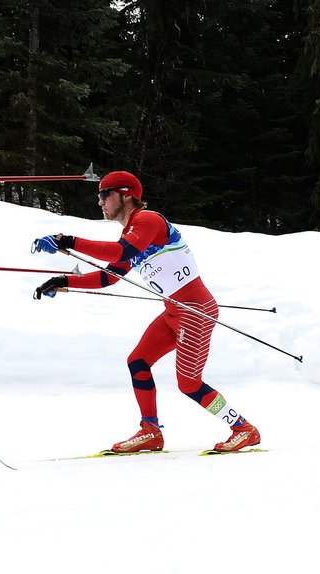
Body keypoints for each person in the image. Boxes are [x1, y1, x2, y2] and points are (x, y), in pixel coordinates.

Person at [31, 171, 261, 453]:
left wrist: (66, 240)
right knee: (138, 362)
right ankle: (150, 431)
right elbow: (108, 277)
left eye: (105, 194)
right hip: (173, 313)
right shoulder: (130, 235)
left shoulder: (148, 221)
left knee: (189, 384)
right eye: (99, 195)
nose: (100, 202)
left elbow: (119, 253)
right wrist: (64, 282)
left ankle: (243, 428)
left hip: (195, 311)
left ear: (126, 194)